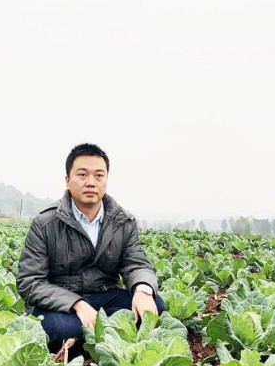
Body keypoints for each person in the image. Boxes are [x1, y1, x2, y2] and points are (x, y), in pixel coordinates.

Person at [17, 143, 166, 354]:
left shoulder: (123, 221)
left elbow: (136, 263)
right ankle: (112, 338)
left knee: (154, 307)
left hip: (105, 296)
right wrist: (76, 304)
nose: (91, 182)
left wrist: (142, 289)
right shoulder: (46, 223)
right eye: (82, 175)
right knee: (58, 328)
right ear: (67, 180)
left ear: (106, 180)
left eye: (98, 176)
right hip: (61, 302)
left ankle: (92, 339)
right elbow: (30, 282)